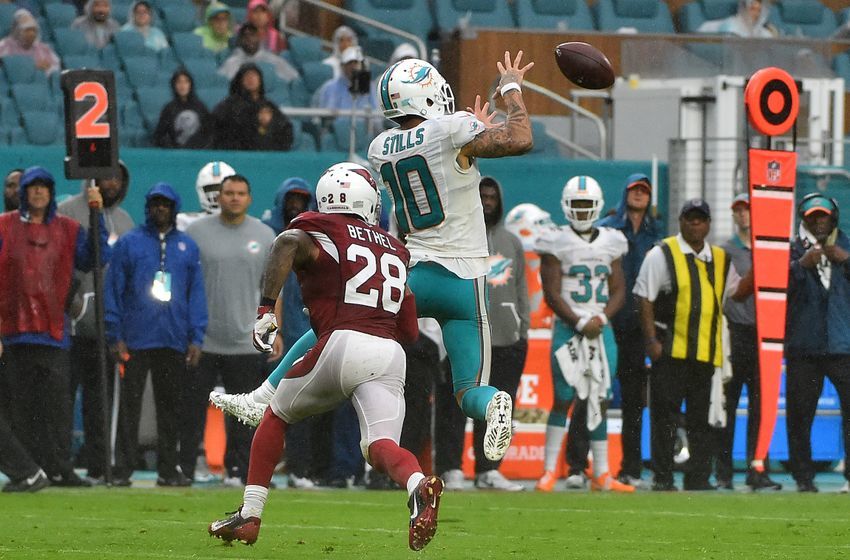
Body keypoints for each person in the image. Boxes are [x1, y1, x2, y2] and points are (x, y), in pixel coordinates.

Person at [211, 51, 535, 464]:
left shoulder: (380, 148)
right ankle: (492, 406)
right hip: (465, 278)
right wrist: (510, 88)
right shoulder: (454, 128)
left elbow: (438, 160)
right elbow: (520, 138)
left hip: (412, 271)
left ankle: (265, 393)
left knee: (339, 321)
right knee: (468, 388)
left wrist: (469, 137)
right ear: (427, 95)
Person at [208, 163, 443, 551]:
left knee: (275, 414)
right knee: (380, 447)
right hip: (390, 354)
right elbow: (411, 331)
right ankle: (419, 484)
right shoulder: (395, 248)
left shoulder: (321, 225)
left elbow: (286, 243)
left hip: (345, 341)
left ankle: (249, 515)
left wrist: (267, 309)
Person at [0, 166, 108, 487]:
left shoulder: (70, 229)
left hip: (52, 332)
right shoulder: (4, 227)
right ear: (23, 193)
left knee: (56, 409)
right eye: (32, 187)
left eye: (43, 187)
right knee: (21, 409)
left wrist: (96, 213)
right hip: (14, 333)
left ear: (50, 192)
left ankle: (57, 467)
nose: (37, 192)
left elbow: (95, 257)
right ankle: (32, 469)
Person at [634, 198, 752, 491]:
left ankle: (698, 477)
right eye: (690, 218)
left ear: (709, 224)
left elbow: (736, 293)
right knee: (665, 416)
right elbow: (644, 297)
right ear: (681, 221)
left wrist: (762, 265)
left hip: (706, 352)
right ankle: (663, 477)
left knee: (702, 420)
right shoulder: (663, 253)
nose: (695, 223)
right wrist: (651, 341)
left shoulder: (722, 259)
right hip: (671, 349)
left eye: (700, 219)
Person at [533, 176, 633, 493]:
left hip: (601, 328)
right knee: (563, 398)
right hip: (569, 327)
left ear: (598, 206)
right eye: (576, 204)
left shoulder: (612, 240)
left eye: (586, 204)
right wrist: (579, 322)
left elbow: (619, 288)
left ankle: (602, 473)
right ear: (565, 206)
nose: (581, 210)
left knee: (599, 397)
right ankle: (549, 471)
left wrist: (601, 316)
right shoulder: (555, 240)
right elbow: (551, 292)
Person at [105, 182, 207, 487]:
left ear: (174, 208)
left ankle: (167, 469)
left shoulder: (187, 247)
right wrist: (115, 333)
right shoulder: (129, 243)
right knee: (128, 407)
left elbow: (196, 294)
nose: (160, 208)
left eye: (165, 203)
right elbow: (113, 289)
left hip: (173, 338)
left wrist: (196, 336)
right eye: (155, 203)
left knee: (170, 408)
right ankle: (122, 468)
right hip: (134, 338)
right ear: (147, 207)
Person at [183, 175, 276, 486]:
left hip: (245, 340)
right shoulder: (195, 233)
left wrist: (276, 331)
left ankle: (239, 470)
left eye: (240, 193)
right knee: (193, 409)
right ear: (218, 197)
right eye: (229, 193)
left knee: (245, 413)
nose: (234, 198)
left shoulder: (265, 236)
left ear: (249, 198)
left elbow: (274, 289)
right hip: (203, 339)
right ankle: (186, 467)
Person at [58, 162, 134, 482]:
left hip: (107, 329)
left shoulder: (126, 221)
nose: (111, 182)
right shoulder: (67, 212)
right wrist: (70, 304)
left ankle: (98, 463)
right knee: (61, 398)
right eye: (105, 176)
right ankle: (58, 463)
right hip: (69, 326)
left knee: (100, 402)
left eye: (117, 177)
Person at [595, 173, 660, 489]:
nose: (639, 195)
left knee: (634, 401)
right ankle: (582, 466)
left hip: (638, 327)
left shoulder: (655, 233)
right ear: (625, 193)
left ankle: (630, 466)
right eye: (634, 189)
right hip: (607, 321)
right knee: (593, 393)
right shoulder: (608, 228)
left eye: (644, 191)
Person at [714, 193, 782, 491]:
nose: (743, 215)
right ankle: (724, 470)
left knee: (762, 405)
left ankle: (757, 468)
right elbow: (730, 295)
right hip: (736, 331)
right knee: (728, 405)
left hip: (766, 333)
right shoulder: (726, 251)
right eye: (738, 210)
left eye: (747, 209)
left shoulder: (773, 249)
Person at [785, 194, 850, 494]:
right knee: (800, 414)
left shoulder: (846, 245)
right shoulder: (793, 249)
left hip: (842, 344)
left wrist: (847, 260)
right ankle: (803, 477)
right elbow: (777, 289)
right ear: (804, 218)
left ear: (833, 217)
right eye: (813, 217)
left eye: (823, 216)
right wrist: (800, 265)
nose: (819, 221)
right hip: (804, 345)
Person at [468, 176, 530, 491]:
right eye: (482, 196)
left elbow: (522, 289)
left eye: (492, 197)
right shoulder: (463, 239)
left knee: (502, 409)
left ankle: (490, 470)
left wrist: (523, 330)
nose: (487, 202)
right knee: (470, 406)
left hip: (510, 339)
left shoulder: (512, 242)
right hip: (475, 339)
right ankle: (453, 468)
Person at [212, 63, 293, 151]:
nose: (250, 78)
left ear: (260, 80)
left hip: (267, 157)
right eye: (247, 75)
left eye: (254, 75)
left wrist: (268, 125)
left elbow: (285, 130)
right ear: (240, 80)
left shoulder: (268, 105)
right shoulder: (228, 105)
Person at [313, 45, 382, 136]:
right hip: (338, 135)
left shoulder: (370, 86)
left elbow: (377, 117)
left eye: (356, 63)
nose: (353, 67)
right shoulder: (330, 87)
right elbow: (326, 118)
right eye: (349, 63)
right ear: (342, 66)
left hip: (364, 135)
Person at [153, 68, 213, 150]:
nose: (182, 85)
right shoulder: (169, 108)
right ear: (174, 85)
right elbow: (160, 135)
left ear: (190, 84)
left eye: (186, 82)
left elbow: (209, 133)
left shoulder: (200, 107)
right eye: (179, 82)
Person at [218, 23, 298, 82]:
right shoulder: (231, 62)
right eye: (245, 36)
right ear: (239, 40)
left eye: (252, 35)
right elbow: (220, 82)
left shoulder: (273, 60)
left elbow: (294, 78)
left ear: (259, 38)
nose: (249, 38)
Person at [176, 161, 236, 231]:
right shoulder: (184, 222)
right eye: (211, 188)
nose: (216, 194)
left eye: (222, 189)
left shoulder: (247, 225)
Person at [0, 9, 60, 75]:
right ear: (17, 30)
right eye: (27, 30)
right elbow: (5, 68)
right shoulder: (4, 46)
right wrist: (32, 67)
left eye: (34, 30)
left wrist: (48, 68)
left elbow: (56, 68)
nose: (31, 34)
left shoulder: (44, 48)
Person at [697, 0, 777, 38]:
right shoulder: (730, 28)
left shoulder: (765, 34)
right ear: (745, 8)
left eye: (759, 10)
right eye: (752, 9)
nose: (755, 13)